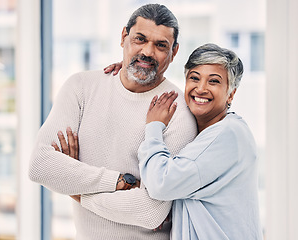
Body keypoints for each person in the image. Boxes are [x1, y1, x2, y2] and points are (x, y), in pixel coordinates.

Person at [29, 3, 197, 240]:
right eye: (140, 39)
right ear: (123, 37)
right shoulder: (81, 87)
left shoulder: (178, 110)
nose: (148, 52)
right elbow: (40, 166)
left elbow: (150, 211)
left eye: (161, 45)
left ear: (174, 52)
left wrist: (75, 188)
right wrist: (121, 182)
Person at [137, 43, 263, 239]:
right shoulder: (207, 133)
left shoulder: (227, 134)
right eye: (194, 78)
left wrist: (153, 127)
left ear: (231, 93)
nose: (201, 88)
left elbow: (161, 183)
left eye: (213, 81)